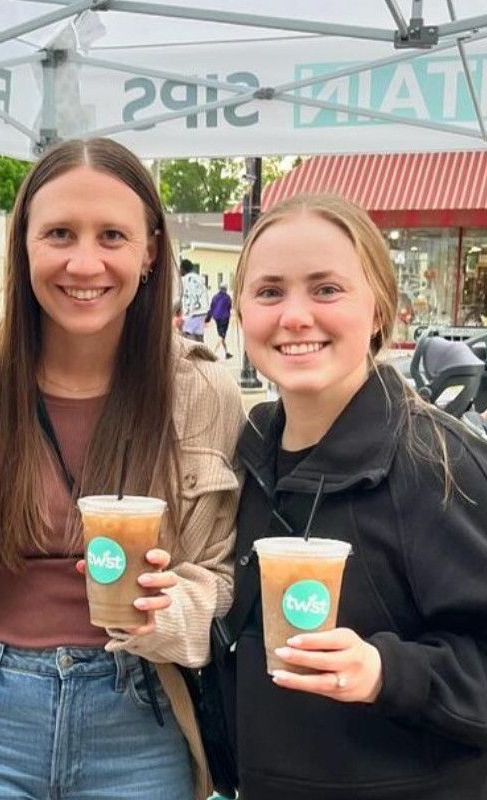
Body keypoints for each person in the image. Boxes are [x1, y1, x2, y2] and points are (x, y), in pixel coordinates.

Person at [0, 138, 245, 800]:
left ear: (150, 251)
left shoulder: (203, 393)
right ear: (25, 245)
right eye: (60, 233)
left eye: (113, 236)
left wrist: (169, 609)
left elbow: (227, 576)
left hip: (140, 709)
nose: (84, 261)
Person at [228, 193, 487, 800]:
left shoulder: (438, 464)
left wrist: (386, 671)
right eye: (269, 292)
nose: (294, 316)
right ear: (241, 313)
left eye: (326, 290)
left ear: (379, 310)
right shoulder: (250, 450)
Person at [179, 258, 211, 342]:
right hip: (203, 311)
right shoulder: (200, 278)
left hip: (192, 312)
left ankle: (191, 354)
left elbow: (185, 297)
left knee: (186, 335)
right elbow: (205, 294)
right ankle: (202, 353)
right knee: (199, 335)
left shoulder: (184, 280)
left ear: (182, 269)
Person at [206, 283, 233, 359]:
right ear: (225, 289)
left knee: (221, 336)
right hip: (224, 318)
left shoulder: (215, 297)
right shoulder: (227, 297)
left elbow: (211, 308)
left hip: (217, 318)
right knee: (221, 336)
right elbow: (230, 307)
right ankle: (212, 353)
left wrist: (208, 318)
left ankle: (227, 353)